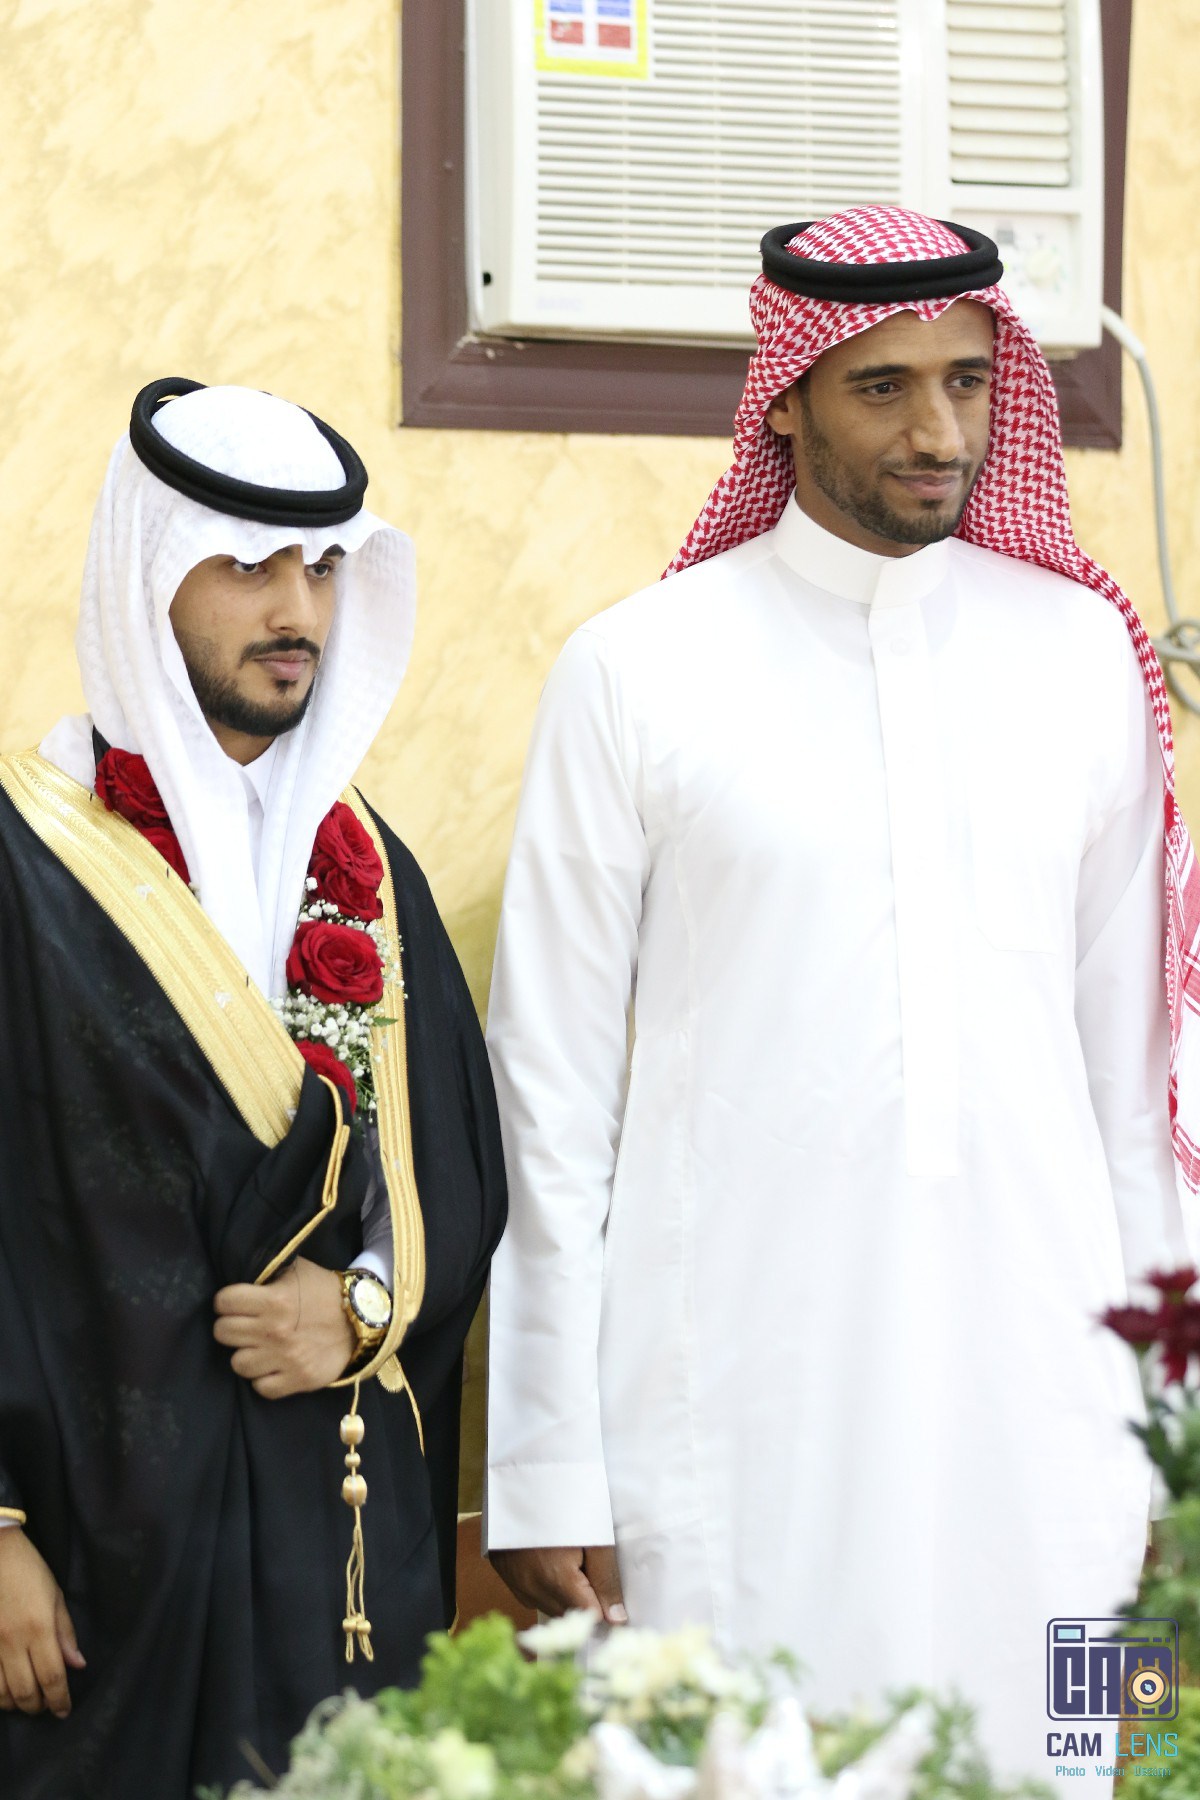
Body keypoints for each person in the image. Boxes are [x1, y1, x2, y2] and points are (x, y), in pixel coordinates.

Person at [484, 208, 1200, 1784]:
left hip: (1056, 1407)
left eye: (968, 381)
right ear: (786, 398)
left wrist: (1177, 1430)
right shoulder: (637, 670)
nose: (938, 432)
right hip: (733, 1407)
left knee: (1093, 1760)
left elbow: (1139, 1087)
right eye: (883, 387)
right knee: (748, 1765)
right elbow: (549, 1100)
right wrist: (545, 1464)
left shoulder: (1086, 656)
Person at [0, 378, 506, 1799]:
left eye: (326, 569)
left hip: (326, 1544)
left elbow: (458, 1172)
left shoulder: (372, 877)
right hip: (86, 1558)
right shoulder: (25, 865)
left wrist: (362, 1305)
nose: (298, 611)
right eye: (247, 565)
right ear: (145, 575)